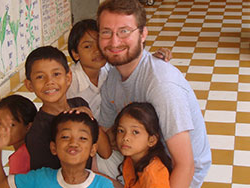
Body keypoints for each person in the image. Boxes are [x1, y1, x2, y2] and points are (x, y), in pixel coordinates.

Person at [96, 0, 212, 187]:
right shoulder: (113, 76)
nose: (114, 41)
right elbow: (106, 132)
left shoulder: (162, 86)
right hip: (141, 158)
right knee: (85, 164)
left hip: (173, 171)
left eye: (124, 31)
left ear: (143, 34)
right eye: (106, 32)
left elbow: (185, 165)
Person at [23, 46, 111, 170]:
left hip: (89, 176)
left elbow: (106, 152)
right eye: (40, 77)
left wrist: (91, 120)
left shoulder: (80, 104)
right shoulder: (37, 134)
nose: (50, 82)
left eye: (56, 74)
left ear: (68, 77)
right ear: (29, 85)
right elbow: (47, 180)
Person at [67, 19, 172, 120]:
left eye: (99, 43)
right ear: (75, 54)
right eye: (87, 46)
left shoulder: (110, 68)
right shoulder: (69, 81)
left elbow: (133, 63)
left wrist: (153, 58)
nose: (97, 51)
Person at [0, 111, 114, 188]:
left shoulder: (103, 185)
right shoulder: (40, 178)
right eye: (65, 137)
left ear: (93, 149)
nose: (73, 143)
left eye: (82, 138)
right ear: (53, 147)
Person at [114, 102, 172, 188]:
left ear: (151, 140)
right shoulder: (130, 160)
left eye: (135, 132)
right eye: (121, 131)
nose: (125, 137)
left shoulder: (153, 173)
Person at [0, 94, 37, 176]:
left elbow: (1, 185)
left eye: (12, 125)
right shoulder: (34, 144)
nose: (3, 130)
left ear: (28, 127)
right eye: (0, 123)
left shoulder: (20, 158)